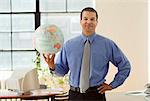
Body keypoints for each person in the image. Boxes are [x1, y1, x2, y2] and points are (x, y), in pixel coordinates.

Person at [43, 7, 131, 101]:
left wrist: (113, 85)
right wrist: (52, 66)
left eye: (92, 19)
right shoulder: (69, 45)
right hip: (74, 96)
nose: (88, 22)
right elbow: (62, 71)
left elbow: (125, 66)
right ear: (80, 21)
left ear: (97, 22)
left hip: (96, 95)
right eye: (85, 19)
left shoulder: (107, 44)